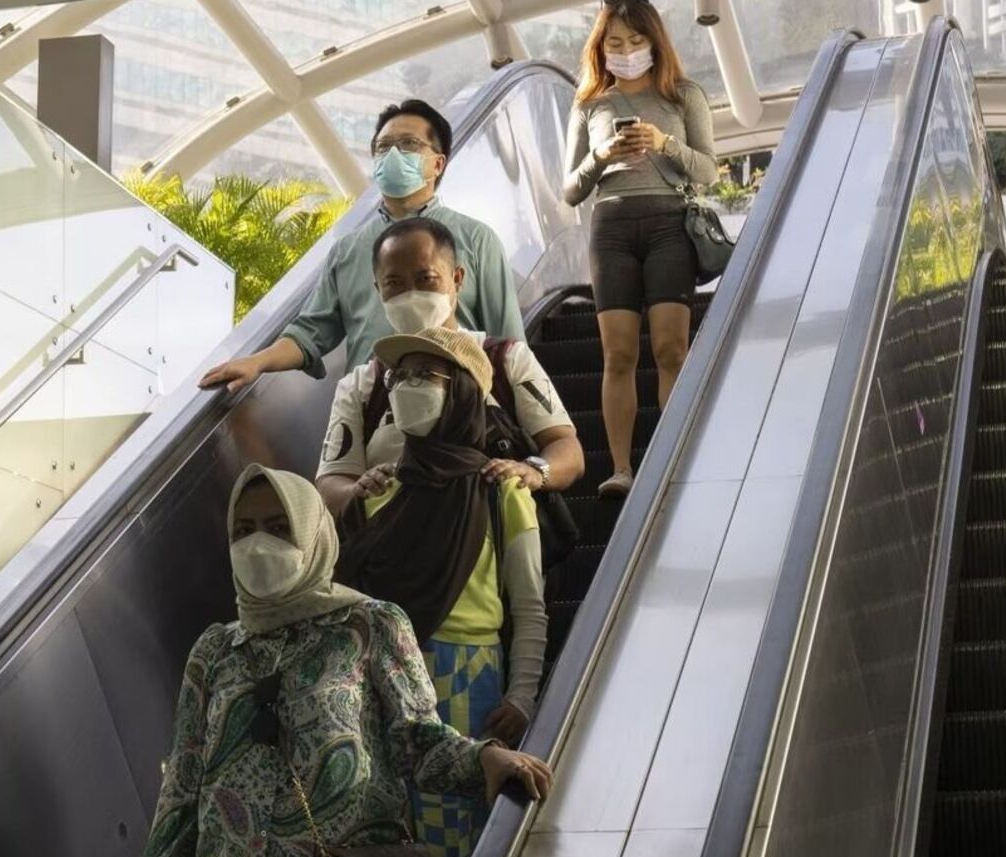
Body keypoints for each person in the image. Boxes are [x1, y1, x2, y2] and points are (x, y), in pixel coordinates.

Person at [135, 465, 553, 857]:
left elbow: (417, 738)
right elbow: (183, 782)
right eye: (245, 529)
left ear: (312, 533)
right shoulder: (215, 650)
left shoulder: (370, 624)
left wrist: (483, 758)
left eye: (280, 527)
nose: (259, 542)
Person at [334, 327, 547, 857]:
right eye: (399, 375)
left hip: (469, 680)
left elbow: (529, 607)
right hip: (378, 687)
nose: (406, 386)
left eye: (425, 375)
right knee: (392, 840)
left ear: (465, 394)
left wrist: (522, 696)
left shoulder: (502, 491)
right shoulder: (381, 492)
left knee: (459, 844)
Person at [197, 100, 524, 392]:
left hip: (457, 409)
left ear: (438, 164)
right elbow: (311, 332)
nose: (393, 154)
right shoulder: (348, 250)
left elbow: (509, 345)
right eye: (383, 148)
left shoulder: (475, 240)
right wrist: (258, 362)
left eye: (409, 144)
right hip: (371, 412)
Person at [318, 216, 584, 517]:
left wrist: (534, 472)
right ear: (378, 290)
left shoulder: (506, 360)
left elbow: (566, 447)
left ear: (457, 278)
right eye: (394, 283)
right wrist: (356, 491)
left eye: (425, 278)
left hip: (501, 542)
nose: (410, 294)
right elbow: (331, 481)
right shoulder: (361, 386)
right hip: (395, 551)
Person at [562, 0, 717, 499]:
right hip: (611, 226)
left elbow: (710, 171)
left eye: (636, 42)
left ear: (654, 42)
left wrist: (664, 143)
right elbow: (570, 190)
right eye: (615, 44)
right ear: (600, 50)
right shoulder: (590, 104)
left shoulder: (683, 94)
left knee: (672, 347)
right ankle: (622, 469)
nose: (626, 52)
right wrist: (602, 154)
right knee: (618, 353)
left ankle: (673, 457)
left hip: (669, 222)